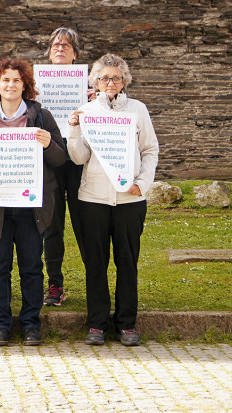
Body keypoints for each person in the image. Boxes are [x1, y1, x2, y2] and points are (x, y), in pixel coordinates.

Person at [0, 58, 66, 346]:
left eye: (16, 80)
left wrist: (48, 144)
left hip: (31, 206)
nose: (10, 85)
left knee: (32, 266)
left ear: (25, 86)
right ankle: (2, 323)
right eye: (5, 80)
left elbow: (61, 158)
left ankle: (32, 324)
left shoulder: (42, 117)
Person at [67, 53, 159, 346]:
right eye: (104, 77)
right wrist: (73, 128)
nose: (110, 82)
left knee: (127, 262)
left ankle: (126, 324)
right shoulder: (86, 111)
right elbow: (79, 157)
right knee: (96, 262)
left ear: (124, 81)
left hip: (129, 200)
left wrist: (142, 183)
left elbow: (150, 150)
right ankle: (97, 324)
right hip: (93, 197)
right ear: (95, 81)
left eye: (116, 78)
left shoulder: (138, 110)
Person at [41, 27, 88, 307]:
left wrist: (96, 102)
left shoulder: (90, 86)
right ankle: (55, 284)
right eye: (55, 45)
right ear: (48, 52)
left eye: (66, 46)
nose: (60, 49)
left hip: (79, 162)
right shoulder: (35, 84)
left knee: (85, 224)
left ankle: (95, 280)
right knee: (52, 226)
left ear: (75, 55)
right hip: (50, 162)